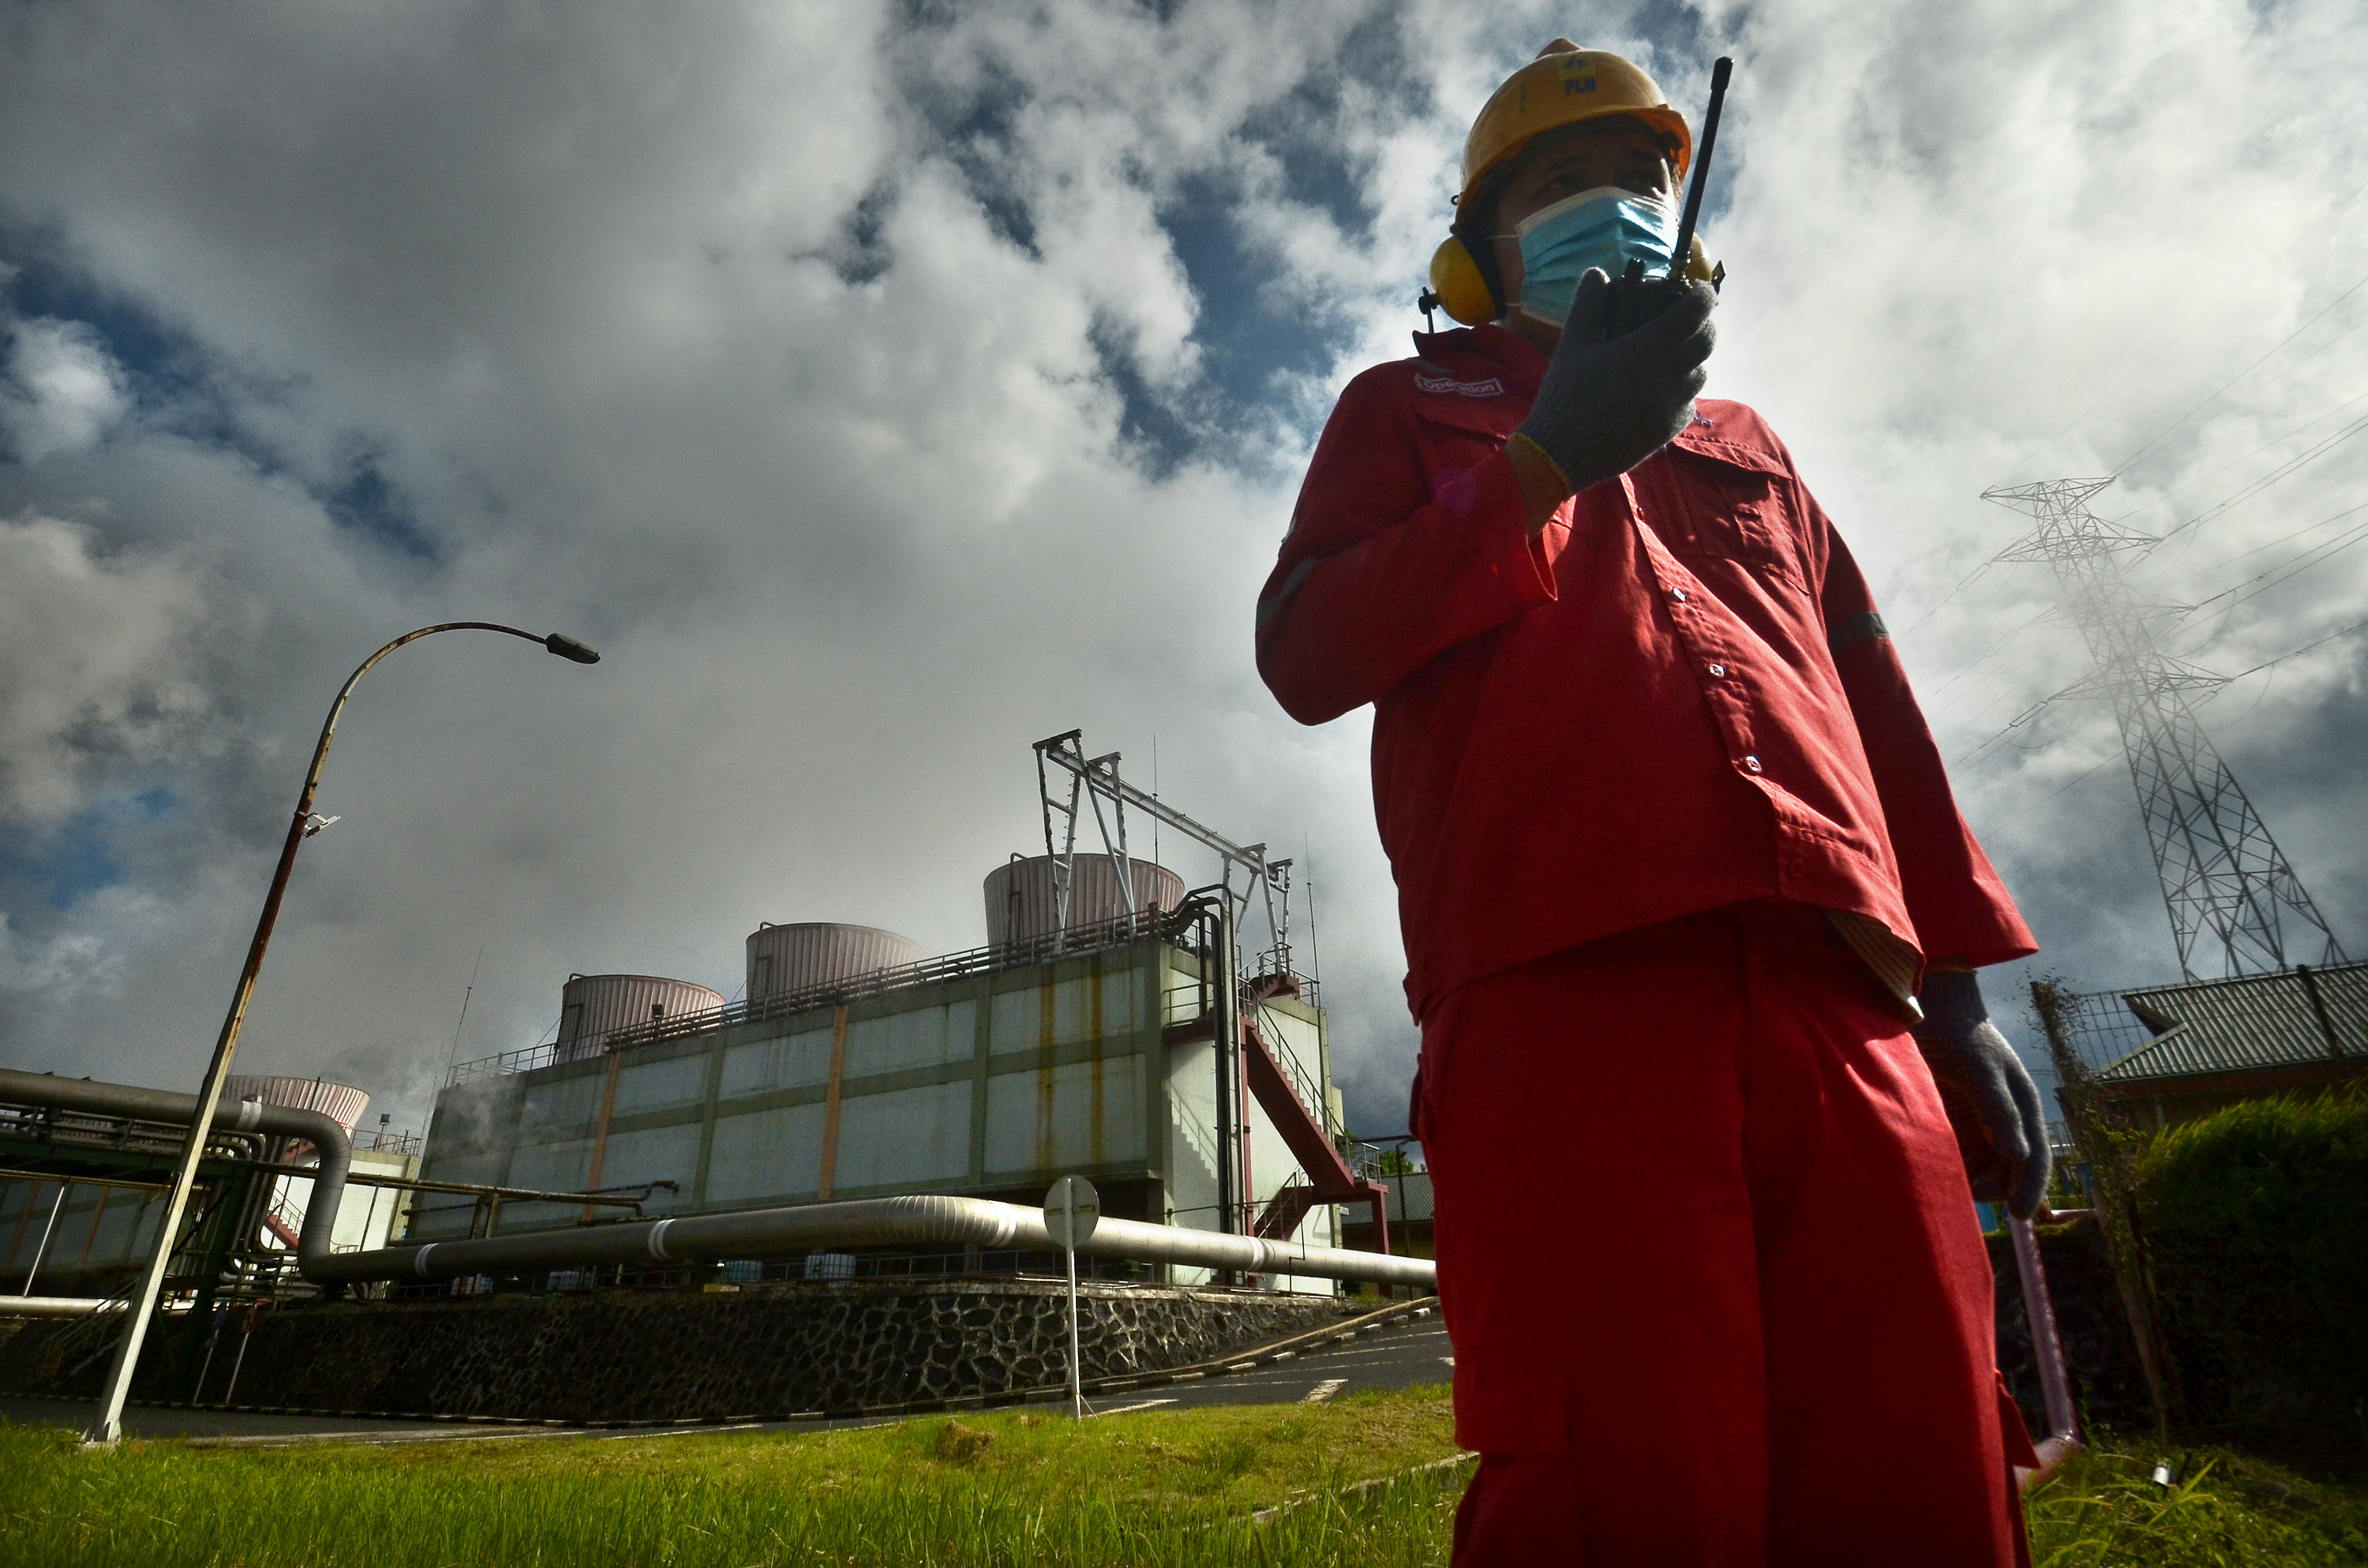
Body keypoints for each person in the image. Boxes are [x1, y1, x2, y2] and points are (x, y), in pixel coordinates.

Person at [1256, 40, 2051, 1567]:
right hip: (1562, 998)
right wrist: (1546, 459)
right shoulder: (1402, 409)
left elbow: (1874, 707)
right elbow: (1304, 651)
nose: (1611, 204)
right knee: (1627, 1473)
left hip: (1844, 1006)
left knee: (1923, 1450)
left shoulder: (1750, 447)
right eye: (1560, 184)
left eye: (1638, 178)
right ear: (1478, 259)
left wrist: (1953, 993)